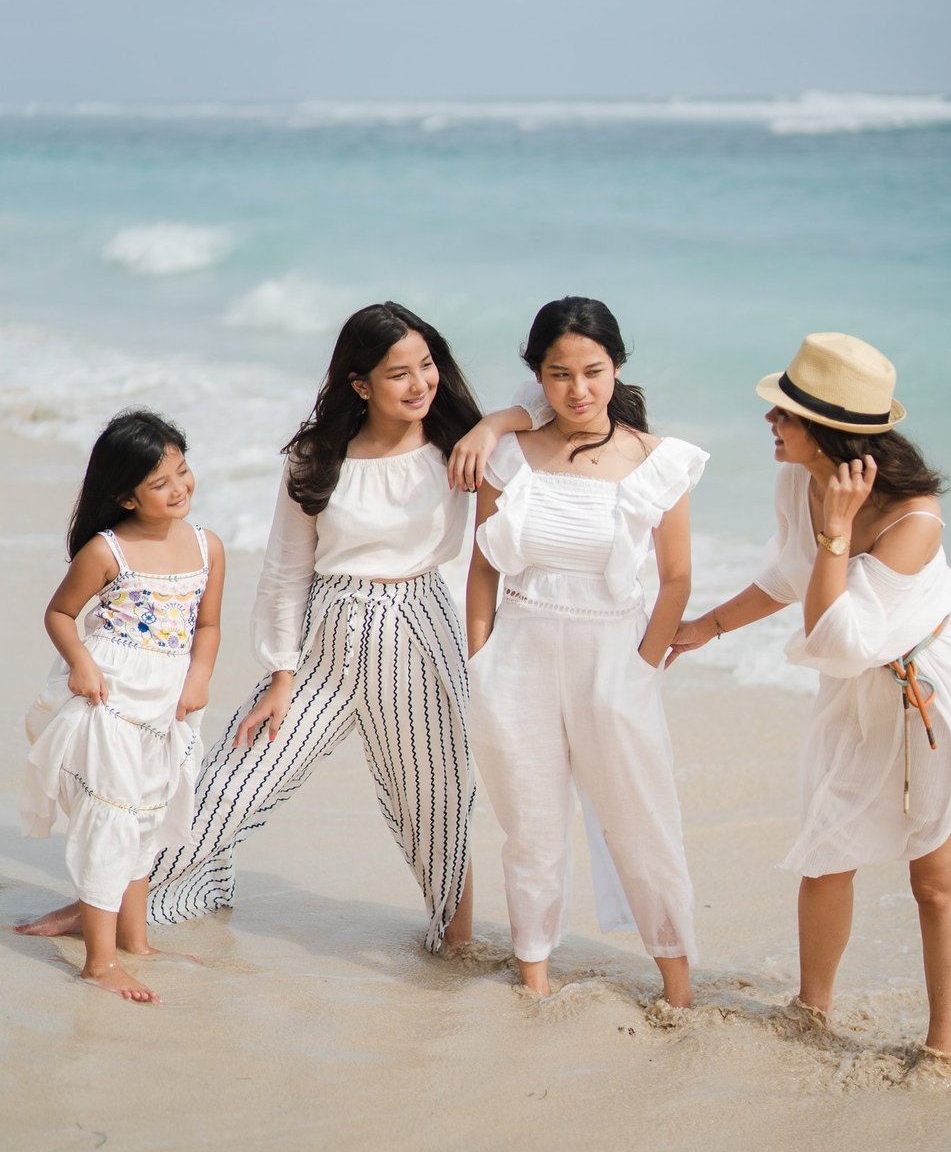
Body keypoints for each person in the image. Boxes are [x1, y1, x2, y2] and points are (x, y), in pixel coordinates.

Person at [75, 302, 544, 954]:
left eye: (427, 365)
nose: (420, 384)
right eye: (398, 373)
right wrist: (280, 672)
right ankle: (111, 900)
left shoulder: (458, 444)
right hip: (327, 637)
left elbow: (549, 399)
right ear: (359, 384)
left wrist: (490, 426)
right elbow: (287, 568)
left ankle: (455, 947)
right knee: (231, 782)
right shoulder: (316, 457)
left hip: (420, 628)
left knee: (437, 803)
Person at [671, 332, 951, 1069]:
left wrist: (834, 537)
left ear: (828, 430)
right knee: (828, 851)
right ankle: (811, 1010)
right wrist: (707, 626)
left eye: (785, 415)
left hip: (934, 701)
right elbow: (792, 577)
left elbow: (837, 641)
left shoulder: (913, 520)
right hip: (861, 701)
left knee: (935, 881)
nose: (771, 423)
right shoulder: (800, 477)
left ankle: (941, 1054)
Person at [466, 297, 708, 1009]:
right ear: (537, 376)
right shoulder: (508, 456)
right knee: (531, 826)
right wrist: (480, 660)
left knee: (643, 819)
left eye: (593, 372)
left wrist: (641, 667)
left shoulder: (658, 463)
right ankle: (534, 977)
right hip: (519, 656)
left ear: (617, 367)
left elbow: (678, 578)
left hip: (615, 657)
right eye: (559, 374)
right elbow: (482, 566)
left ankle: (678, 986)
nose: (578, 390)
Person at [19, 411, 224, 1003]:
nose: (180, 488)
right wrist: (82, 664)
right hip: (109, 697)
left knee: (148, 817)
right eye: (161, 484)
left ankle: (136, 940)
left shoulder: (208, 547)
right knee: (111, 817)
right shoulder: (107, 551)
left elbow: (207, 624)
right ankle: (100, 963)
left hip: (171, 704)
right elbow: (60, 614)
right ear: (124, 497)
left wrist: (201, 676)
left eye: (183, 471)